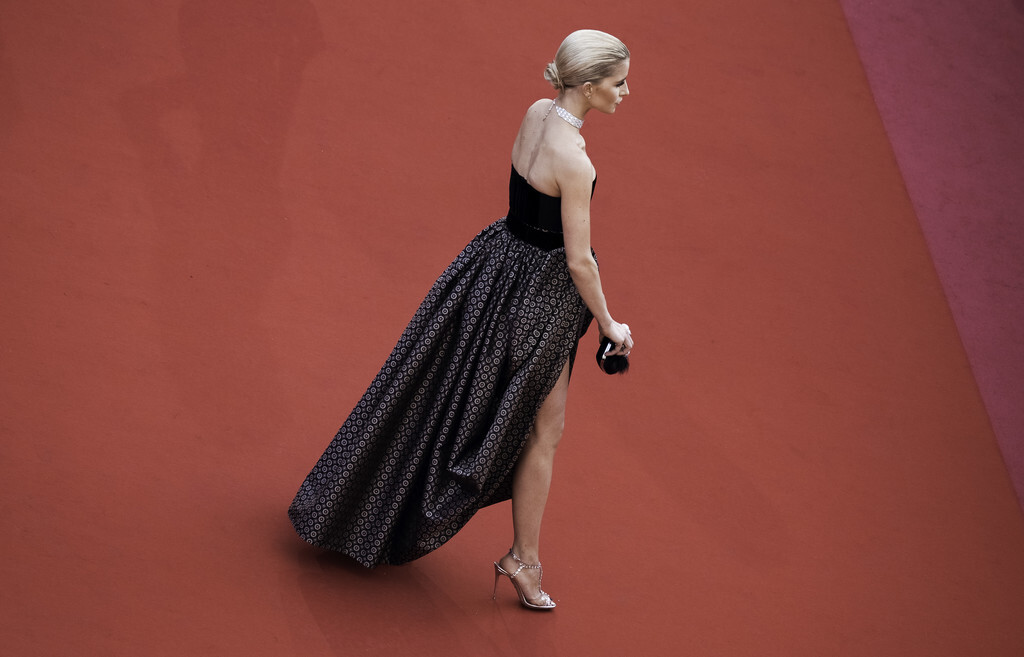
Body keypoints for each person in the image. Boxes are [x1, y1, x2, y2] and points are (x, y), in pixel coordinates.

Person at [288, 29, 633, 611]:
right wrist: (609, 324)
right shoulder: (575, 161)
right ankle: (523, 559)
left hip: (493, 267)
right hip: (540, 300)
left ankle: (366, 505)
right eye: (619, 83)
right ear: (590, 85)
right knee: (543, 433)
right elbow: (578, 260)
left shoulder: (536, 113)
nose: (625, 92)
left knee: (430, 392)